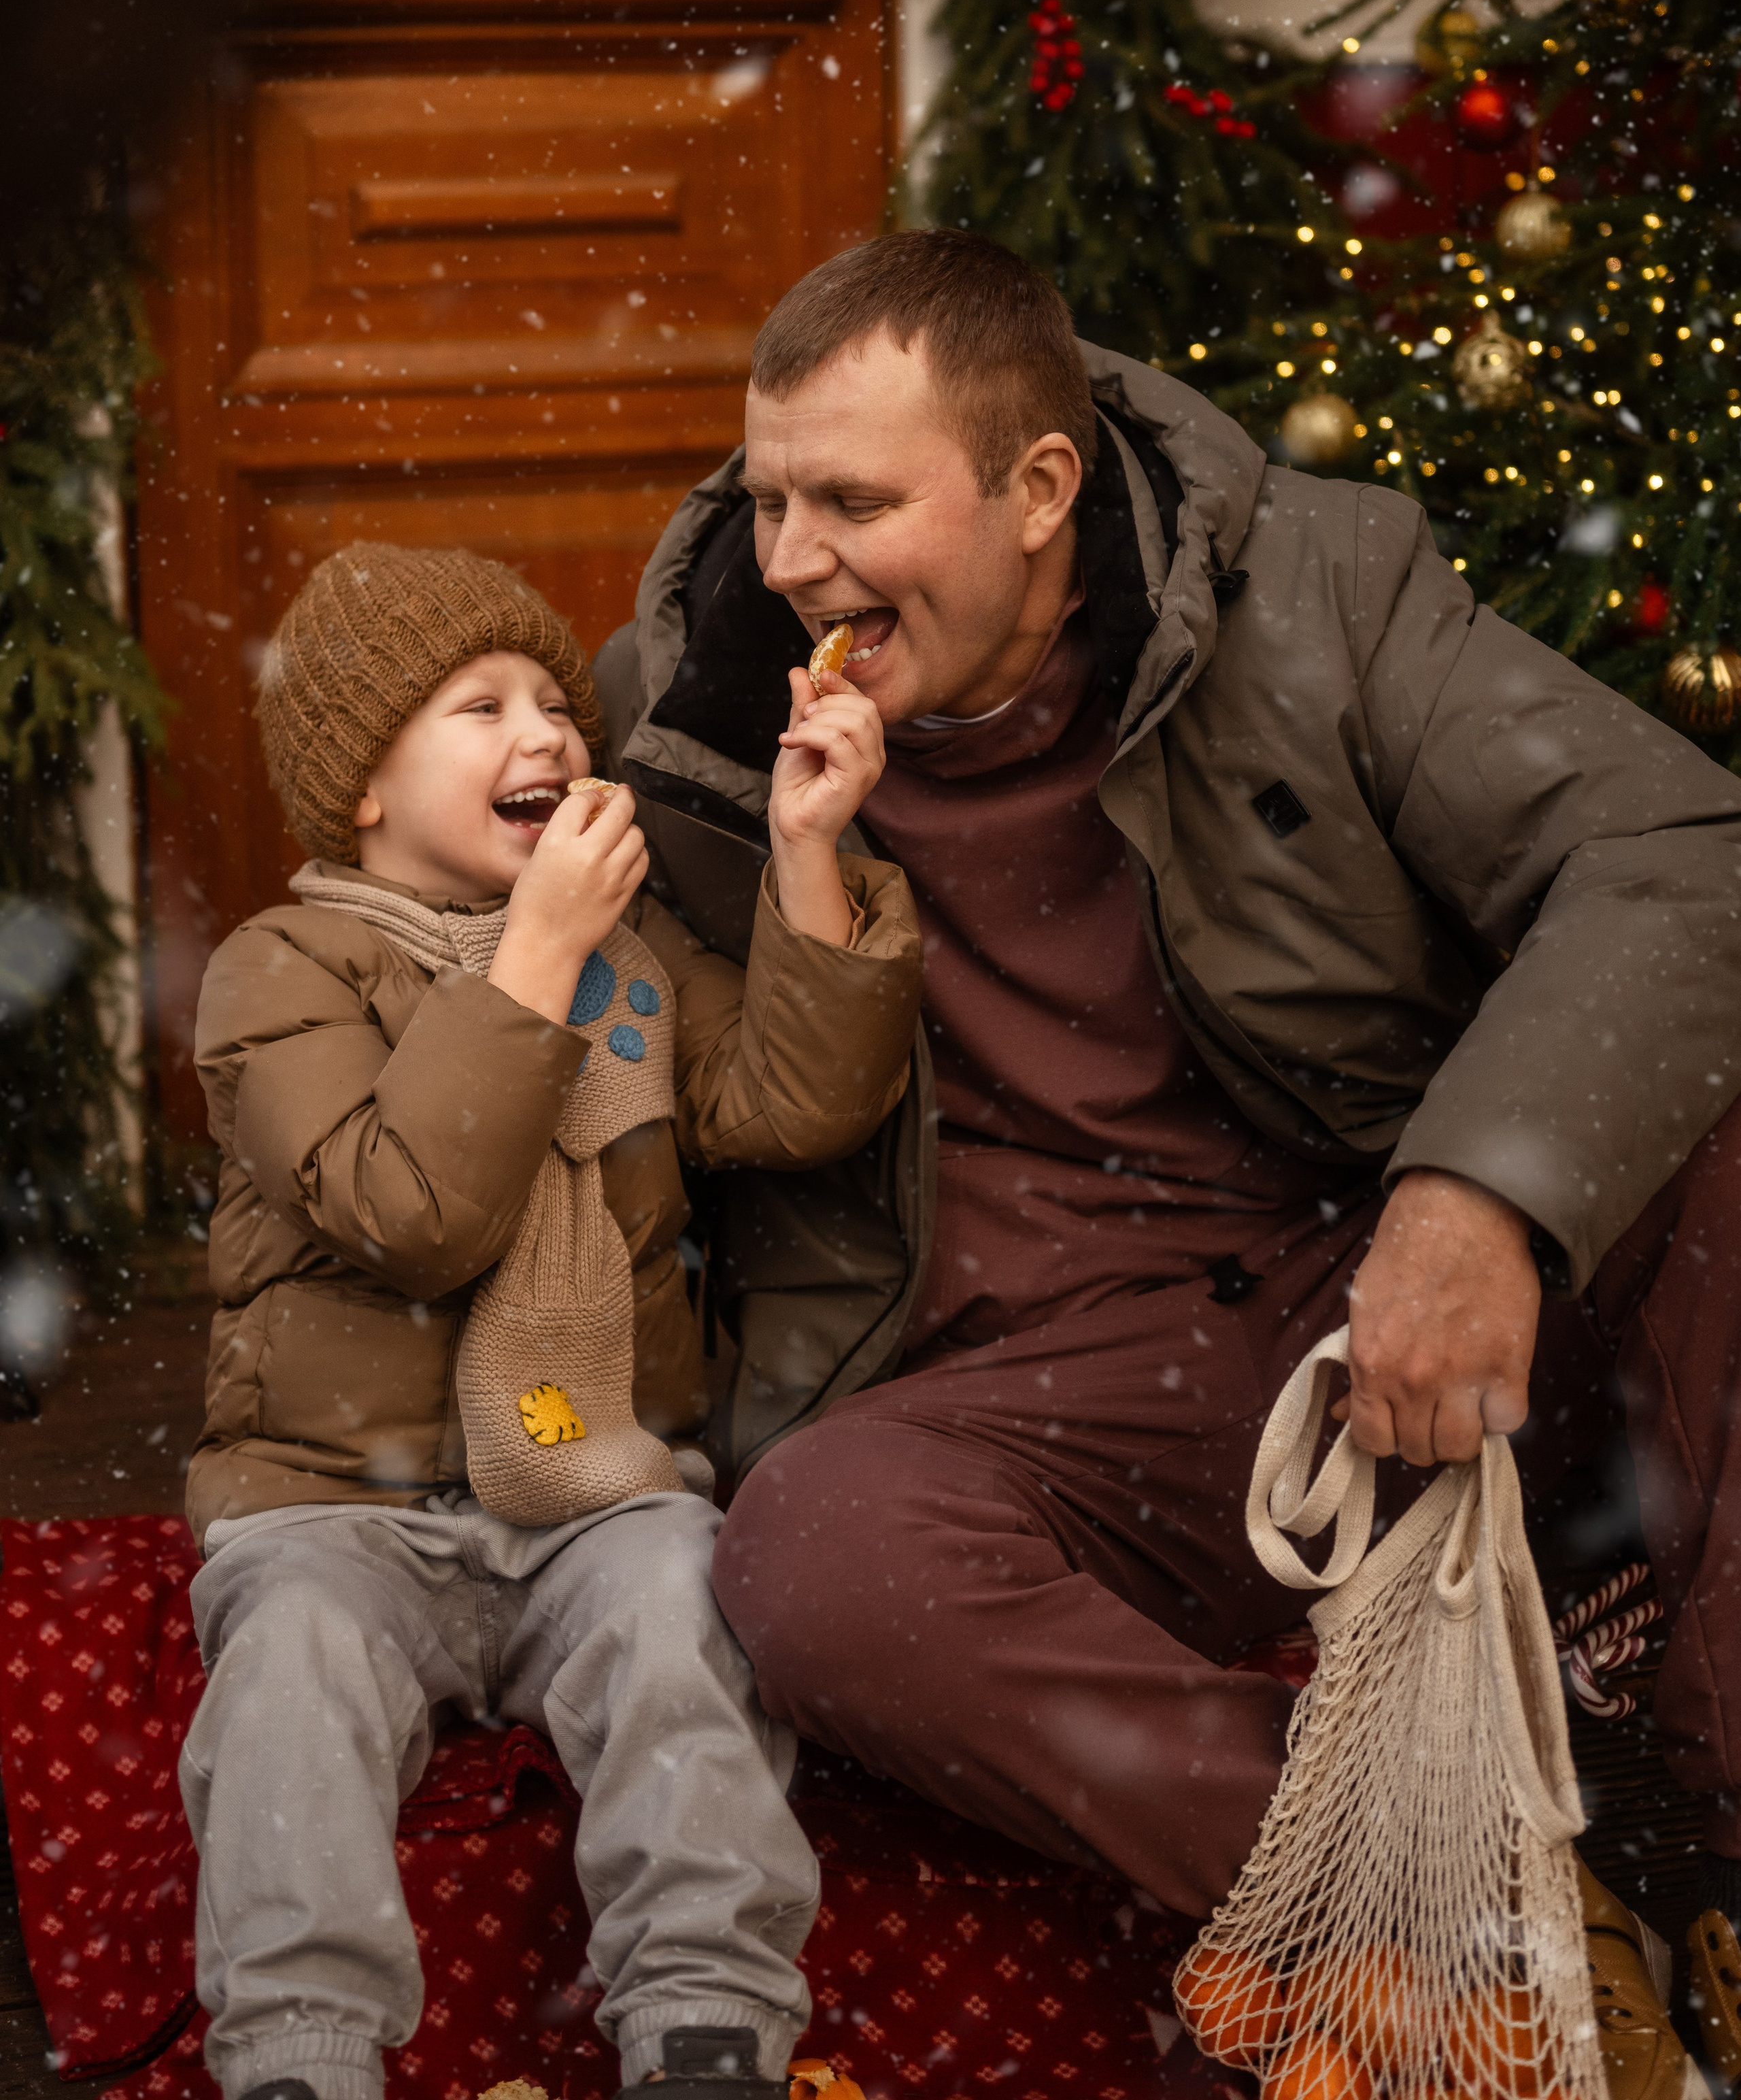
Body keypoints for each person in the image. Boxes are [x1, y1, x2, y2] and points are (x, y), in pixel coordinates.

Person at [592, 229, 1741, 2100]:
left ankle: (1721, 1849)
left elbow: (1681, 855)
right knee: (810, 1551)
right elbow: (468, 991)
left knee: (1707, 1116)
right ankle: (1453, 1902)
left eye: (855, 500)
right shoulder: (689, 701)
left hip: (1365, 1306)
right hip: (1015, 1395)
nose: (790, 557)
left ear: (1041, 488)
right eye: (769, 491)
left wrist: (1477, 1196)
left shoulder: (1320, 595)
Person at [183, 541, 922, 2100]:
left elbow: (796, 1103)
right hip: (334, 1503)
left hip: (588, 1486)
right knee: (291, 1673)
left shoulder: (627, 966)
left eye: (553, 703)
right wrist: (534, 962)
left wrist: (804, 854)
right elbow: (409, 1212)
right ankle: (301, 2051)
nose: (546, 734)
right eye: (478, 705)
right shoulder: (277, 972)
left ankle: (705, 2019)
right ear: (364, 791)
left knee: (679, 1607)